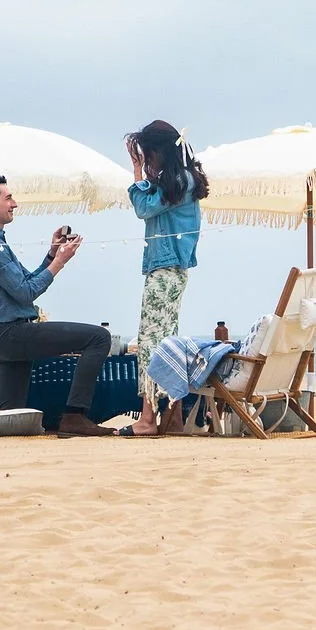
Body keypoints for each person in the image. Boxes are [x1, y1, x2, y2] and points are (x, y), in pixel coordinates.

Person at [0, 174, 114, 437]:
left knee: (8, 421)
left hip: (4, 337)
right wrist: (60, 263)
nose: (15, 204)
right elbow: (27, 293)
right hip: (12, 335)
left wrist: (52, 253)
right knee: (99, 338)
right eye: (8, 197)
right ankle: (74, 416)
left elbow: (26, 282)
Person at [120, 120, 210, 437]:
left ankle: (148, 418)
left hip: (167, 269)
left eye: (147, 155)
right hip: (166, 268)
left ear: (158, 153)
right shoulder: (180, 180)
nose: (146, 162)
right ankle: (161, 414)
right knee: (160, 338)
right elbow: (148, 202)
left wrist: (136, 172)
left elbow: (144, 208)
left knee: (152, 340)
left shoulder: (180, 182)